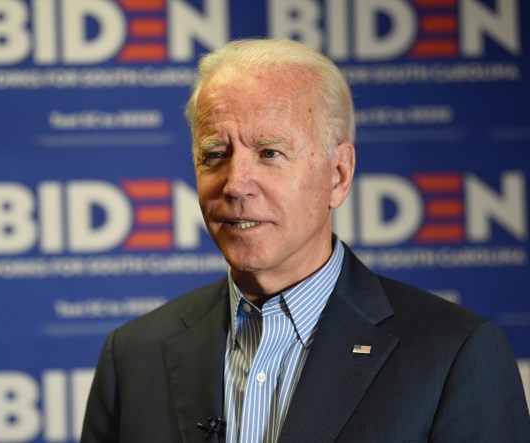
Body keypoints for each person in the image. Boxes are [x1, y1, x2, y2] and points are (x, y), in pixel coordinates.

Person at [81, 38, 530, 442]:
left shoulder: (455, 354)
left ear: (338, 175)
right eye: (215, 155)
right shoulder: (132, 355)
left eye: (270, 153)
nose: (235, 184)